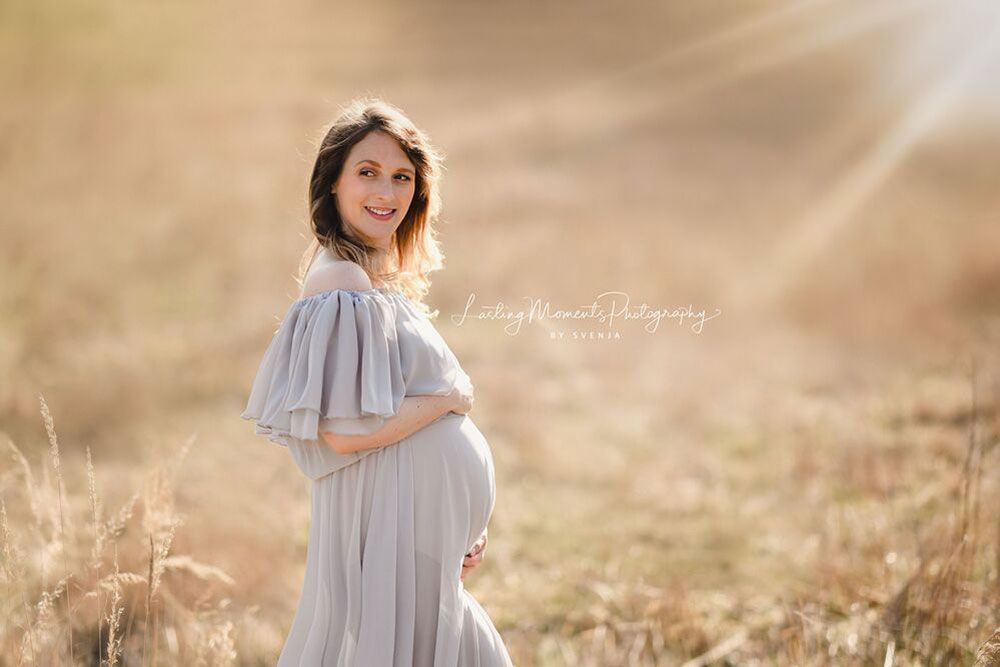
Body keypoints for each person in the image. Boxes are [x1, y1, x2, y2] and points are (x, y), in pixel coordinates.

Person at [241, 97, 514, 666]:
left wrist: (456, 524)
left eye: (402, 177)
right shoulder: (341, 280)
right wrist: (449, 401)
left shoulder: (370, 280)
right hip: (386, 536)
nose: (386, 193)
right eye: (367, 173)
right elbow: (343, 433)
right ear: (333, 184)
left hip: (413, 539)